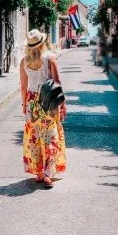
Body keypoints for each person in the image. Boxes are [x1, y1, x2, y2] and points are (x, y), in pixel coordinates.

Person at [20, 29, 67, 189]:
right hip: (48, 101)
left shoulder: (24, 61)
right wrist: (63, 104)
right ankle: (48, 174)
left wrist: (24, 105)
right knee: (50, 136)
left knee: (34, 137)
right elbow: (57, 83)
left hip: (32, 102)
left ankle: (39, 174)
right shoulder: (50, 59)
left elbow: (23, 87)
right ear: (42, 43)